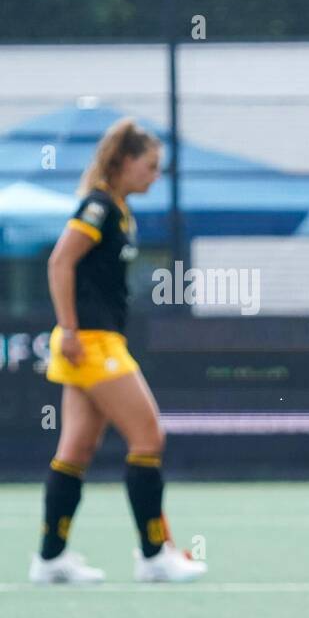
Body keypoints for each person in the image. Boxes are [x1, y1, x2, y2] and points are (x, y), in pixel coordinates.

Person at [30, 118, 207, 584]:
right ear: (125, 162)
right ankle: (153, 555)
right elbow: (59, 261)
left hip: (96, 342)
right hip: (90, 342)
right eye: (149, 166)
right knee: (149, 437)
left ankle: (50, 558)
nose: (155, 175)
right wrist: (68, 328)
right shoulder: (99, 207)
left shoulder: (120, 210)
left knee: (77, 448)